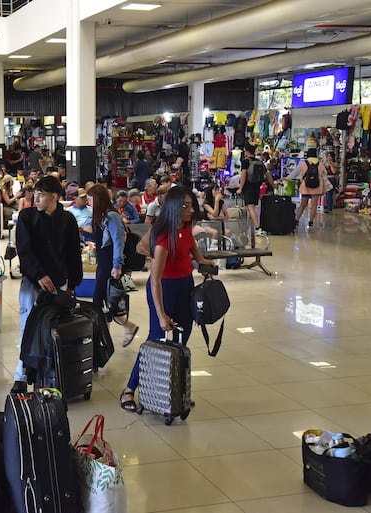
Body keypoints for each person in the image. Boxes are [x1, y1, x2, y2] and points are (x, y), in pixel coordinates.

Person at [119, 186, 217, 412]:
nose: (191, 210)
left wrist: (202, 261)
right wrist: (161, 314)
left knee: (182, 339)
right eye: (185, 206)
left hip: (185, 286)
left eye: (192, 205)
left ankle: (175, 390)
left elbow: (190, 245)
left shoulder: (184, 227)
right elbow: (155, 280)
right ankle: (129, 389)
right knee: (156, 339)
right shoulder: (163, 236)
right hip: (165, 289)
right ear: (173, 208)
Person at [11, 176, 83, 393]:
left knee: (54, 329)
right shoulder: (27, 217)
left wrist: (73, 284)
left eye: (41, 195)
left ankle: (53, 373)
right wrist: (39, 274)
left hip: (59, 282)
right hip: (34, 282)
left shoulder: (67, 220)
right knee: (28, 328)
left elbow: (73, 253)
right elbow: (24, 250)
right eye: (35, 194)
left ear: (54, 197)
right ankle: (21, 375)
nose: (36, 199)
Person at [87, 184, 139, 347]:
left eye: (90, 199)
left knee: (103, 301)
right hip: (103, 264)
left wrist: (117, 265)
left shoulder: (112, 216)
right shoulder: (99, 217)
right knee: (106, 302)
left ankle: (104, 338)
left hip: (112, 264)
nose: (88, 202)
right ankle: (110, 335)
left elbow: (118, 241)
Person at [236, 143, 275, 235]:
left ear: (247, 151)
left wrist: (240, 188)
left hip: (248, 187)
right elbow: (268, 175)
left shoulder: (246, 161)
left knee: (250, 208)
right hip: (257, 187)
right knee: (251, 208)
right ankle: (247, 229)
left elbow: (243, 175)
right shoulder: (260, 162)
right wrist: (273, 185)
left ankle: (258, 228)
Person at [295, 148, 325, 228]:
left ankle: (296, 219)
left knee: (302, 204)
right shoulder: (320, 164)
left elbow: (295, 173)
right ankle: (310, 222)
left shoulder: (303, 163)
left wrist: (286, 178)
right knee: (314, 205)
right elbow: (324, 175)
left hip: (306, 186)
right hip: (317, 186)